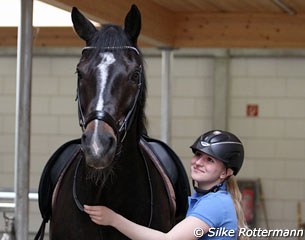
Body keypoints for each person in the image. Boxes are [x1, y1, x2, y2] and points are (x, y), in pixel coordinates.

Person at [84, 130, 249, 240]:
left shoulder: (215, 203)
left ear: (225, 173)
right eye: (198, 155)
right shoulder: (202, 199)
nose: (198, 162)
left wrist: (113, 219)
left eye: (209, 160)